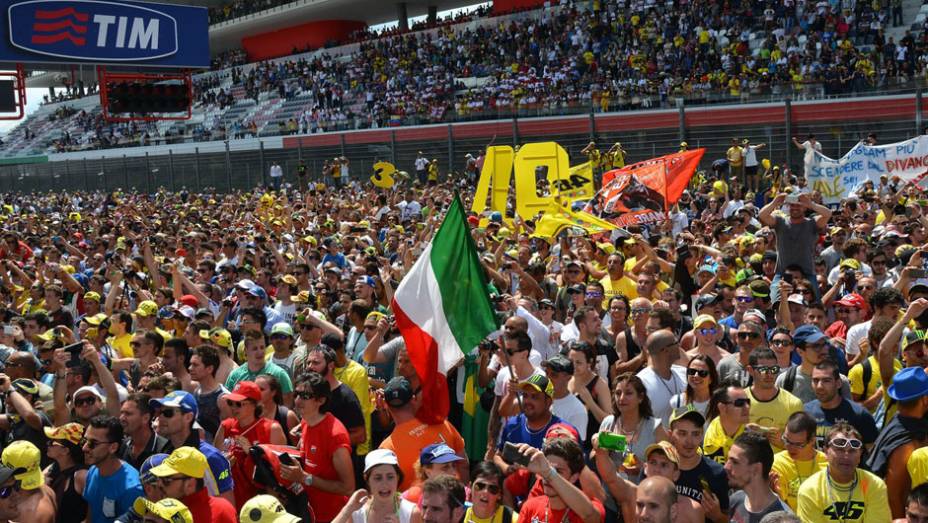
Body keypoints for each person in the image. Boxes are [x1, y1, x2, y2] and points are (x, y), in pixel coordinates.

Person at [278, 371, 354, 523]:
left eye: (305, 396)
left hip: (333, 516)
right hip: (309, 513)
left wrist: (304, 478)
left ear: (321, 400)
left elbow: (348, 487)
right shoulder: (306, 420)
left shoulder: (335, 436)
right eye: (297, 394)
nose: (298, 401)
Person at [149, 390, 235, 505]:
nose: (160, 417)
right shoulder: (162, 453)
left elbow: (227, 507)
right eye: (159, 412)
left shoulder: (211, 458)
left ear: (188, 417)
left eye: (168, 413)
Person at [213, 380, 287, 509]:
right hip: (230, 500)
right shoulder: (226, 426)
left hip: (260, 505)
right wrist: (224, 465)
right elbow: (213, 465)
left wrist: (253, 453)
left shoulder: (271, 429)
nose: (233, 408)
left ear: (254, 405)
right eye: (230, 403)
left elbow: (281, 473)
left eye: (239, 404)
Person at [796, 422, 890, 522]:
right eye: (839, 450)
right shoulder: (810, 490)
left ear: (860, 456)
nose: (846, 456)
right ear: (826, 452)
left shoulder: (874, 485)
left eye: (852, 451)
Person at [510, 439, 604, 523]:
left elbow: (590, 516)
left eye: (558, 471)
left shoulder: (590, 506)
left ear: (574, 477)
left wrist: (549, 472)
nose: (547, 477)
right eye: (546, 468)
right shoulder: (530, 507)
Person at [759, 192, 832, 299]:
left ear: (805, 208)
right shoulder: (780, 222)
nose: (795, 208)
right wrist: (775, 202)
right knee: (774, 300)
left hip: (807, 274)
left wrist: (811, 204)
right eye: (792, 205)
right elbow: (762, 215)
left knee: (815, 303)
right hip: (782, 273)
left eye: (798, 205)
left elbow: (828, 214)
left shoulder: (812, 223)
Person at [668, 407, 730, 522]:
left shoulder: (717, 473)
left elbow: (731, 519)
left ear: (702, 436)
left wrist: (718, 516)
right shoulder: (657, 468)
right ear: (670, 435)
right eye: (682, 433)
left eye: (695, 434)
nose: (689, 441)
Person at [146, 446, 237, 522]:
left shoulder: (219, 512)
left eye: (167, 480)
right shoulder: (224, 506)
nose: (159, 484)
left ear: (190, 485)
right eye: (159, 478)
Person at [80, 415, 144, 523]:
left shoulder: (132, 489)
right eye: (85, 441)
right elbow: (91, 515)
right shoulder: (93, 470)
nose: (84, 448)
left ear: (113, 447)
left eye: (93, 444)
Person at [805, 360, 878, 448]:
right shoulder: (806, 413)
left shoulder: (860, 415)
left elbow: (872, 453)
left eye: (826, 381)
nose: (819, 386)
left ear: (838, 383)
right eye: (815, 380)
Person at [332, 449, 415, 523]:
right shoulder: (356, 512)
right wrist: (348, 509)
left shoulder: (411, 513)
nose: (384, 484)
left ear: (398, 477)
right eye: (378, 478)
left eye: (390, 477)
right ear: (367, 479)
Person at [725, 431, 792, 521]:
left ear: (756, 469)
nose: (726, 467)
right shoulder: (736, 501)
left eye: (735, 462)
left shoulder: (783, 519)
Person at [745, 348, 803, 449]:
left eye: (774, 369)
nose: (769, 374)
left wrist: (781, 443)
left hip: (780, 464)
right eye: (763, 370)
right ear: (750, 370)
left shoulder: (793, 403)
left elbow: (801, 447)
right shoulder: (738, 401)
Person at [770, 412, 827, 512]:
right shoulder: (777, 463)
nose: (790, 448)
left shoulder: (828, 464)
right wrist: (775, 495)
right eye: (786, 440)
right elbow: (781, 508)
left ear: (812, 440)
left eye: (798, 444)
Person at [636, 330, 687, 425]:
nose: (679, 345)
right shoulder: (640, 383)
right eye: (676, 343)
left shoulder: (685, 373)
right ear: (665, 350)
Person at [43, 422, 89, 523]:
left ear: (65, 451)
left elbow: (92, 512)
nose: (48, 444)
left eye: (53, 442)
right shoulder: (52, 468)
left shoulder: (82, 476)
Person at [1, 440, 56, 523]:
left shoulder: (34, 513)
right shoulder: (48, 490)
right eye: (6, 491)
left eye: (5, 491)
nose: (16, 495)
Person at [703, 383, 751, 464]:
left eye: (748, 402)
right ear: (722, 408)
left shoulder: (752, 437)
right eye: (739, 403)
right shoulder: (702, 434)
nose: (747, 407)